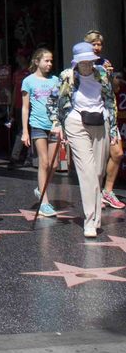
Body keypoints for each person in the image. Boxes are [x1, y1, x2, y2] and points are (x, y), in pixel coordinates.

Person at [48, 41, 117, 238]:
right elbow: (54, 100)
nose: (87, 65)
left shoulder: (102, 74)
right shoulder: (66, 76)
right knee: (87, 172)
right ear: (75, 62)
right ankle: (89, 220)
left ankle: (95, 218)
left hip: (100, 121)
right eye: (83, 62)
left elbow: (110, 100)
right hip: (76, 121)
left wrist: (113, 129)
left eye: (90, 61)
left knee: (97, 172)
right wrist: (57, 123)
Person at [85, 30, 125, 210]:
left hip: (110, 112)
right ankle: (94, 193)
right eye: (94, 44)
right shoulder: (82, 65)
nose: (97, 47)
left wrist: (113, 78)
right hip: (93, 115)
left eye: (99, 44)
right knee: (96, 158)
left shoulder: (105, 63)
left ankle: (107, 192)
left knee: (117, 153)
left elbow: (113, 90)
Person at [20, 48, 60, 217]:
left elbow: (60, 104)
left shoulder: (56, 80)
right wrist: (25, 131)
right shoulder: (28, 81)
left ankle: (40, 188)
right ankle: (44, 202)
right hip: (37, 125)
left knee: (54, 164)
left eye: (51, 61)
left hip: (54, 125)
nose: (49, 64)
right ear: (37, 62)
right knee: (43, 162)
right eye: (46, 61)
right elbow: (25, 107)